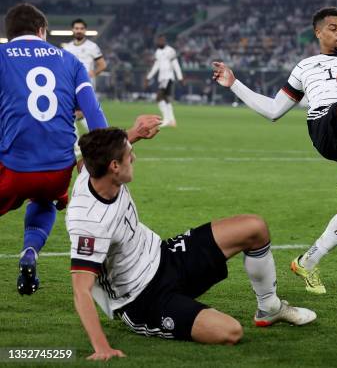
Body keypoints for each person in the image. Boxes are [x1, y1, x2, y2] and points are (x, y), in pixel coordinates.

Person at [68, 127, 316, 361]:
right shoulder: (89, 223)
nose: (134, 158)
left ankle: (269, 308)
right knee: (230, 332)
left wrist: (136, 133)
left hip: (164, 256)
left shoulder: (95, 169)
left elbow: (95, 153)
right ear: (114, 166)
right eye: (129, 155)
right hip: (142, 298)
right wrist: (102, 346)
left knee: (254, 228)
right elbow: (81, 289)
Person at [212, 6, 337, 294]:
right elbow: (274, 110)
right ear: (318, 32)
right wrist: (234, 84)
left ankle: (308, 261)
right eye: (334, 28)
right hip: (324, 123)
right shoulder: (305, 66)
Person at [0, 3, 160, 296]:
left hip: (11, 166)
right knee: (45, 200)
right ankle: (30, 250)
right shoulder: (70, 62)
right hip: (57, 168)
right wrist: (129, 138)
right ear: (42, 31)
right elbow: (96, 123)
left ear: (9, 35)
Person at [63, 18, 107, 161]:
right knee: (72, 114)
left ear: (85, 30)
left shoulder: (92, 46)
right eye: (76, 28)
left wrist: (93, 74)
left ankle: (97, 140)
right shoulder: (67, 48)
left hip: (86, 87)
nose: (79, 30)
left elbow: (102, 64)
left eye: (81, 28)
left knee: (83, 113)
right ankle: (85, 143)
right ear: (72, 30)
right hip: (70, 86)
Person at [145, 35, 184, 127]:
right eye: (159, 41)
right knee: (166, 99)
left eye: (162, 40)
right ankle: (172, 120)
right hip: (162, 78)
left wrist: (180, 77)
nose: (160, 42)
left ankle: (166, 120)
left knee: (159, 97)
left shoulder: (170, 51)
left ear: (165, 41)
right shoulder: (158, 52)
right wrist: (148, 77)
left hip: (168, 77)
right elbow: (156, 65)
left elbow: (175, 64)